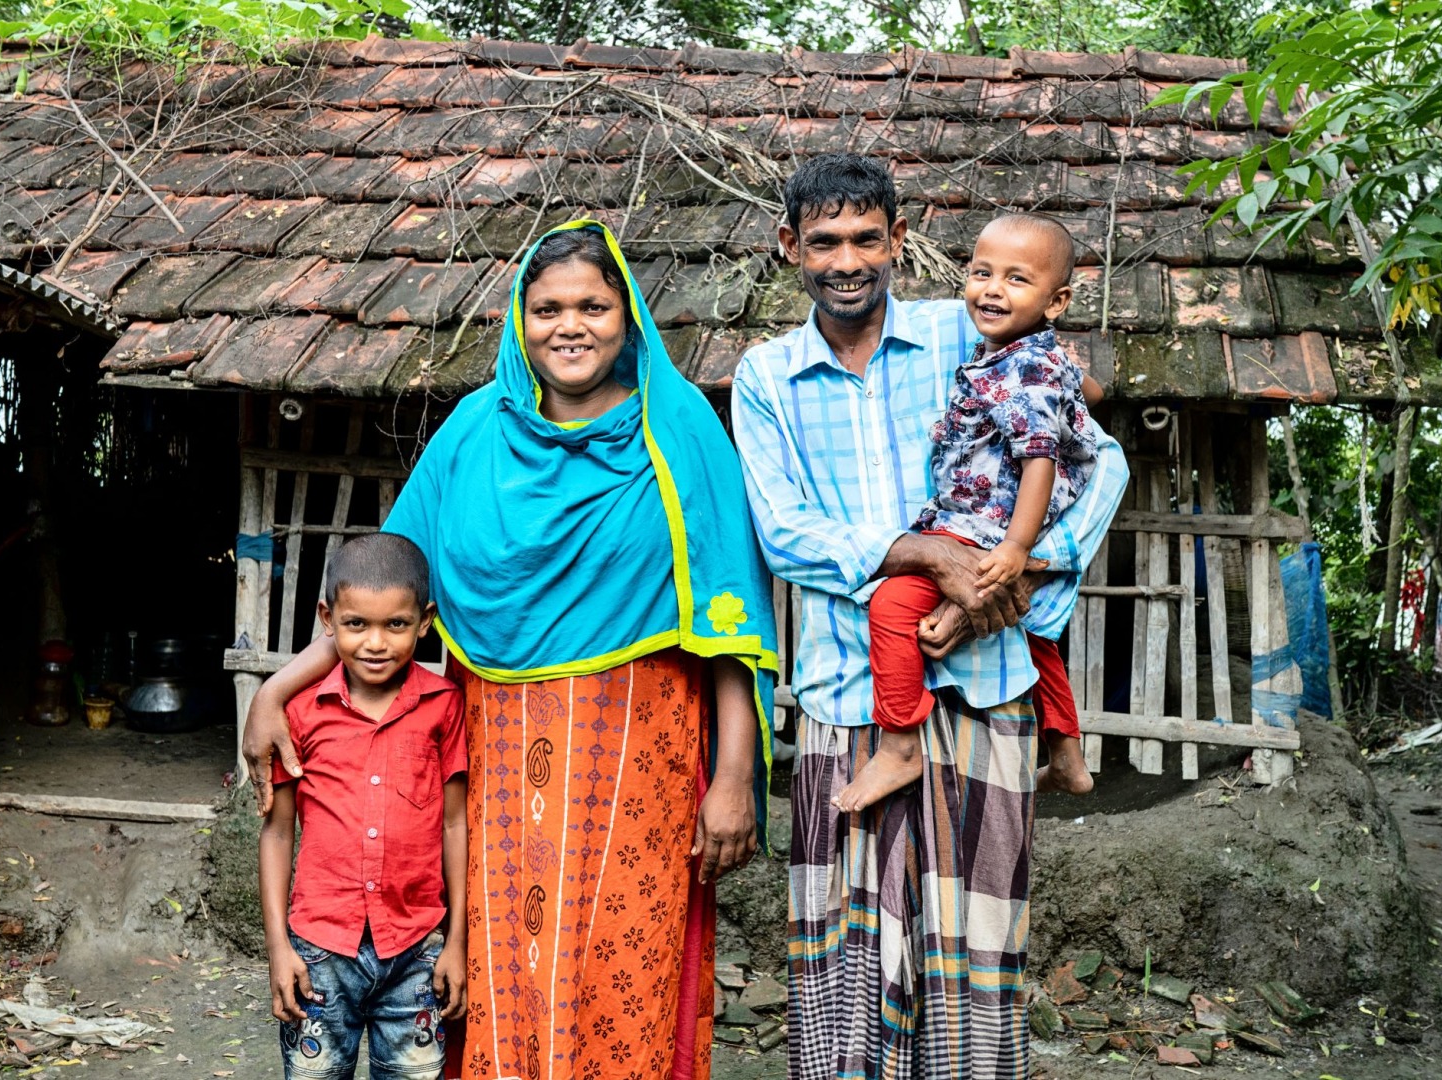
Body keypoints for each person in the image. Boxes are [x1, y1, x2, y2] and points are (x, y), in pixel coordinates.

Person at [242, 220, 780, 1080]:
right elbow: (384, 586)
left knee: (621, 961)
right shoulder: (473, 434)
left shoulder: (679, 436)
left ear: (628, 315)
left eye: (594, 306)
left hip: (639, 753)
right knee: (492, 957)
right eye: (548, 309)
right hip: (489, 744)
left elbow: (729, 622)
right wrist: (277, 691)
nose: (571, 326)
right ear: (518, 323)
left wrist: (732, 780)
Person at [730, 155, 1129, 1079]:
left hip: (986, 690)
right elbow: (785, 532)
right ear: (789, 247)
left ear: (898, 242)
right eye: (823, 240)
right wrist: (926, 558)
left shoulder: (977, 331)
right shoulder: (768, 376)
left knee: (975, 958)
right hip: (845, 695)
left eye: (867, 238)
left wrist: (1009, 576)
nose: (846, 259)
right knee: (846, 962)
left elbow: (1099, 462)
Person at [835, 213, 1106, 812]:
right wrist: (1069, 382)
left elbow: (1038, 456)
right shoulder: (1038, 359)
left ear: (1057, 300)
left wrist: (1012, 547)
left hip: (983, 526)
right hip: (995, 522)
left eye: (1015, 279)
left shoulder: (1020, 369)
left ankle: (900, 742)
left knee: (888, 605)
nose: (991, 289)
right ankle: (1067, 753)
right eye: (982, 272)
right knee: (1034, 631)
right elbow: (1093, 395)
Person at [257, 533, 467, 1080]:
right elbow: (278, 833)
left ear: (425, 622)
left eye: (395, 625)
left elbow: (454, 823)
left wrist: (457, 943)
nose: (376, 643)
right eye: (357, 624)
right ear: (328, 619)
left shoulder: (444, 706)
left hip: (417, 948)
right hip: (319, 953)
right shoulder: (300, 714)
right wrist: (279, 947)